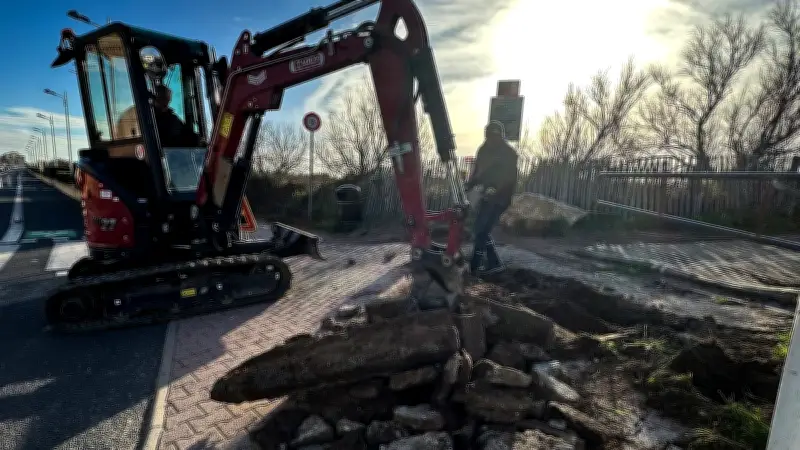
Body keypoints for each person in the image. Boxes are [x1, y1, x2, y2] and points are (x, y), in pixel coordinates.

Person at [464, 120, 518, 275]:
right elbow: (479, 172)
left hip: (501, 197)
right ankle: (494, 263)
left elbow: (509, 177)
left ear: (501, 136)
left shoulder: (509, 153)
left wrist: (496, 188)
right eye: (489, 136)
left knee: (481, 229)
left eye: (495, 137)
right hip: (485, 195)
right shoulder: (483, 150)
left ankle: (475, 266)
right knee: (481, 230)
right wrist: (471, 183)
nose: (492, 140)